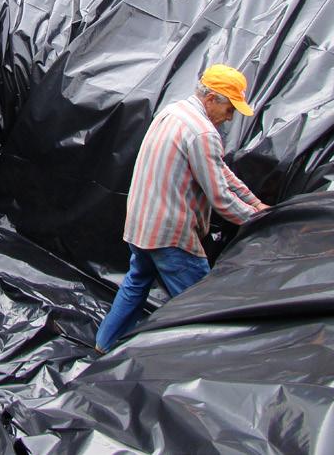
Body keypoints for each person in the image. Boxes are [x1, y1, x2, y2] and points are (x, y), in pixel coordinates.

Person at [95, 64, 269, 353]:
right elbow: (221, 198)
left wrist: (254, 202)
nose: (230, 117)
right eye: (229, 109)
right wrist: (258, 220)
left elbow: (219, 170)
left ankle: (103, 344)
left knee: (136, 284)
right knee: (199, 305)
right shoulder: (202, 133)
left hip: (141, 225)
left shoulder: (173, 112)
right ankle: (204, 365)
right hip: (170, 236)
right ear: (211, 98)